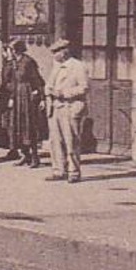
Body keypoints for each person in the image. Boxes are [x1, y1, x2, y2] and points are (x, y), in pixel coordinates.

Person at [45, 38, 89, 183]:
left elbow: (83, 87)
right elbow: (49, 84)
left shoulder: (78, 66)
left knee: (71, 141)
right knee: (55, 141)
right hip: (55, 107)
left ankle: (74, 172)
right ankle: (58, 170)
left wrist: (63, 93)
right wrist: (48, 93)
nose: (54, 55)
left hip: (70, 107)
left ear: (64, 52)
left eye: (56, 52)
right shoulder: (56, 66)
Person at [3, 39, 47, 167]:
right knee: (17, 126)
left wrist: (42, 98)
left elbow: (38, 81)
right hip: (17, 96)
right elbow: (8, 81)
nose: (8, 52)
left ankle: (34, 157)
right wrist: (11, 97)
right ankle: (25, 155)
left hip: (27, 96)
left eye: (10, 49)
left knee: (28, 126)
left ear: (15, 50)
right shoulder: (13, 63)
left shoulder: (28, 62)